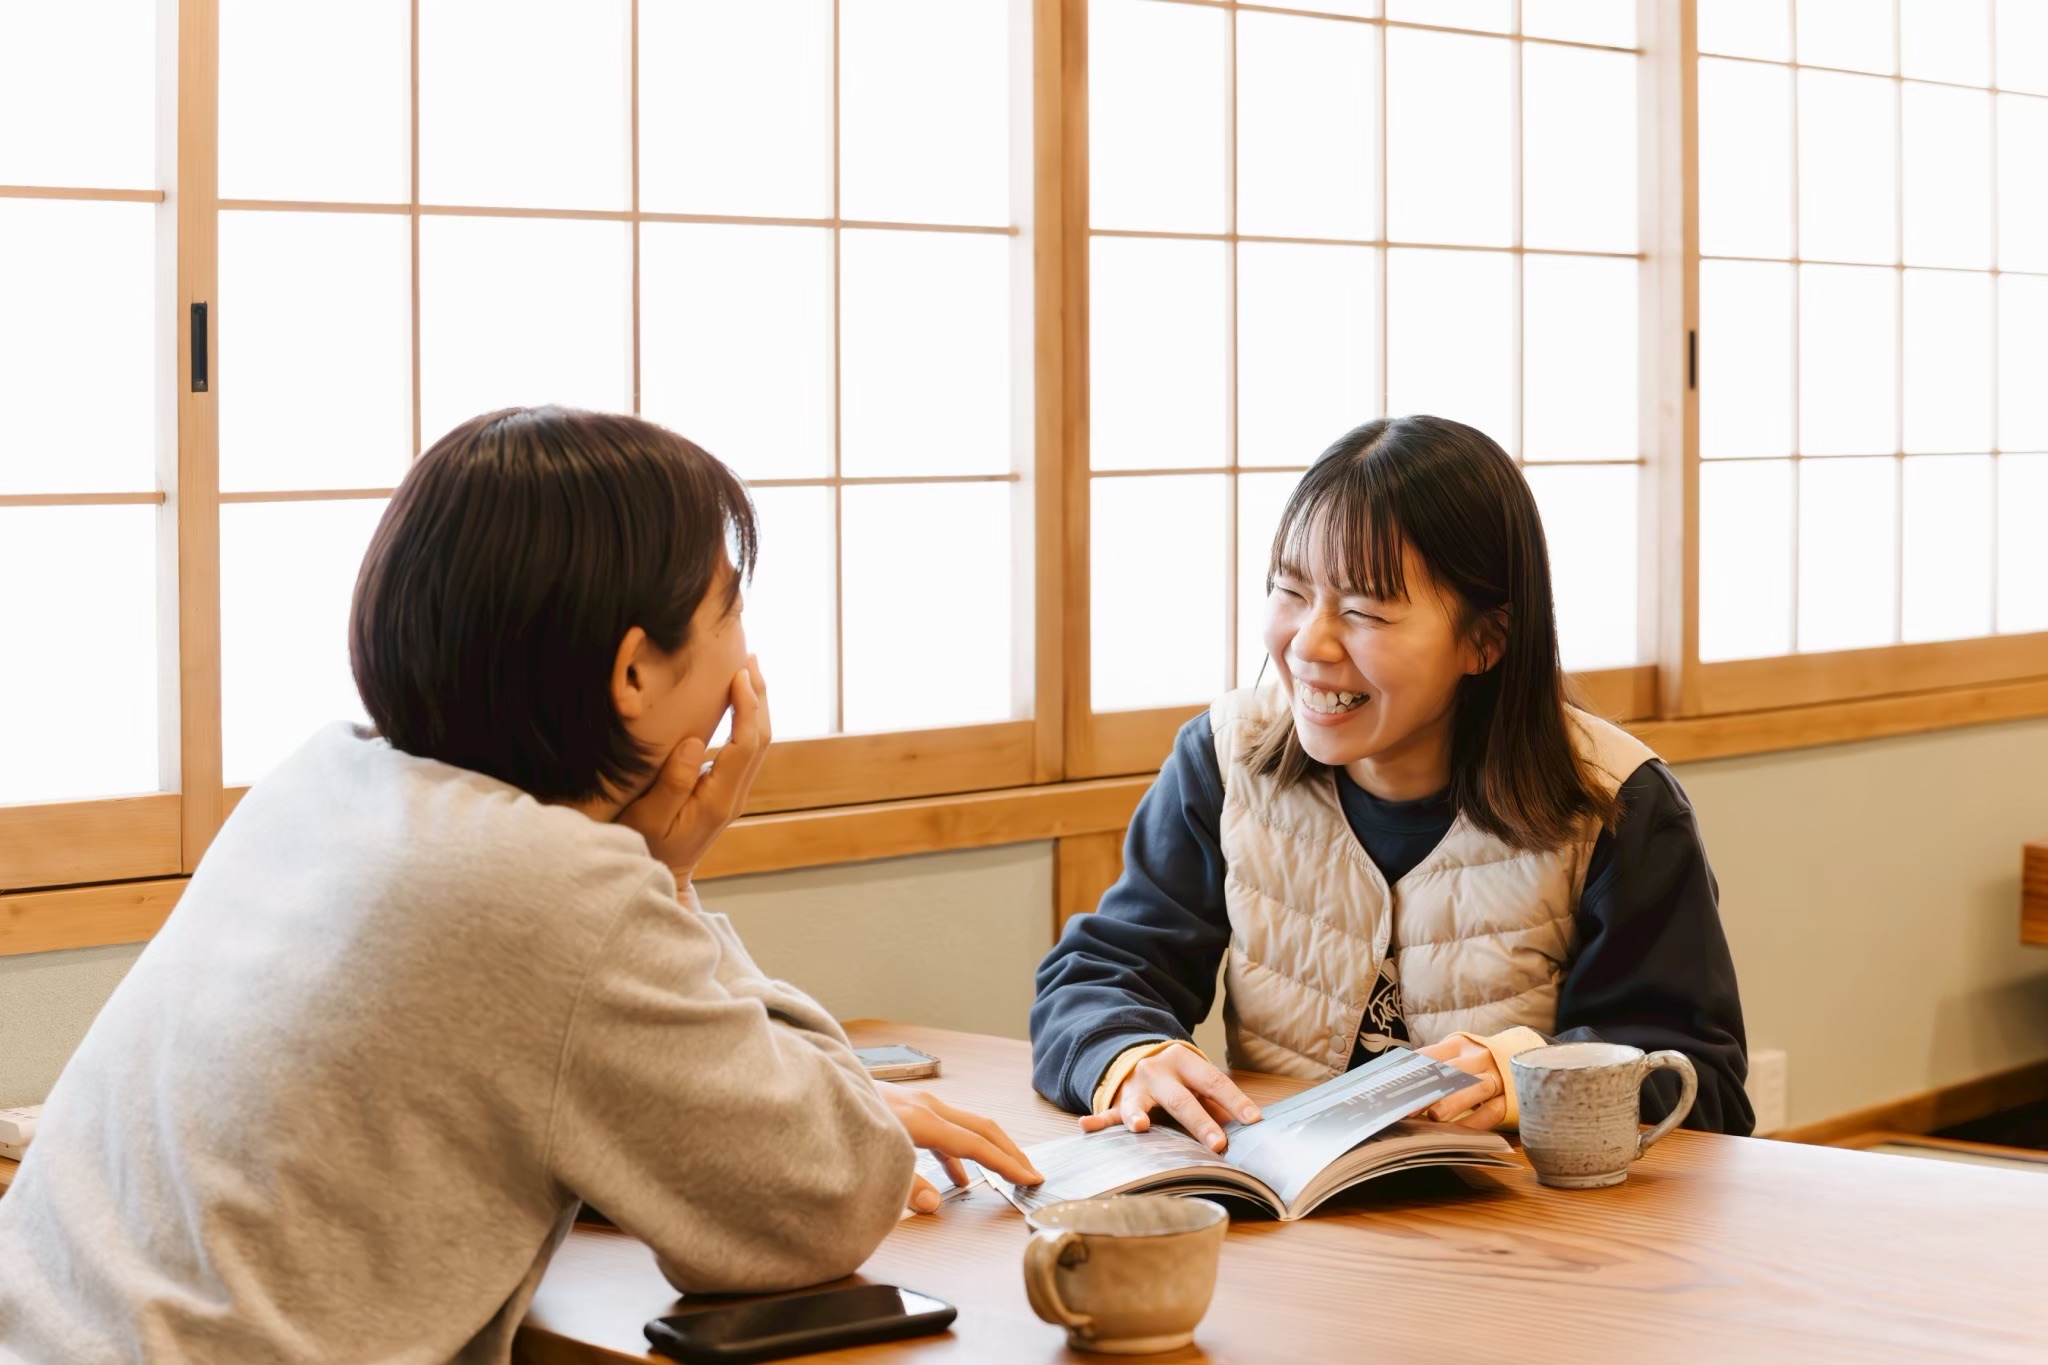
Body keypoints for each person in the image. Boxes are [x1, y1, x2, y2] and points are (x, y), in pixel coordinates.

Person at [0, 407, 1041, 1365]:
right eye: (730, 610)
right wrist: (665, 873)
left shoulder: (323, 779)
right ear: (633, 674)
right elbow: (813, 1208)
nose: (745, 657)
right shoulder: (546, 888)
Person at [1031, 415, 1751, 1153]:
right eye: (1290, 590)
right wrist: (1129, 1056)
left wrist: (1524, 1074)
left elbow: (1705, 1084)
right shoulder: (1224, 760)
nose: (1310, 644)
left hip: (1527, 1238)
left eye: (1364, 610)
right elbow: (1100, 975)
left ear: (1486, 639)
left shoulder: (1619, 803)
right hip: (1293, 1224)